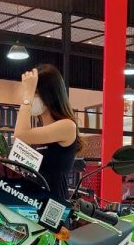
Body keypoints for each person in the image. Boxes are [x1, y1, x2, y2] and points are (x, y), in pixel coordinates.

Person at [13, 64, 82, 204]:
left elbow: (20, 134)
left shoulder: (67, 126)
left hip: (53, 206)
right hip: (34, 202)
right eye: (31, 92)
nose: (31, 98)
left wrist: (27, 97)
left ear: (49, 95)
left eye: (35, 93)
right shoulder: (41, 131)